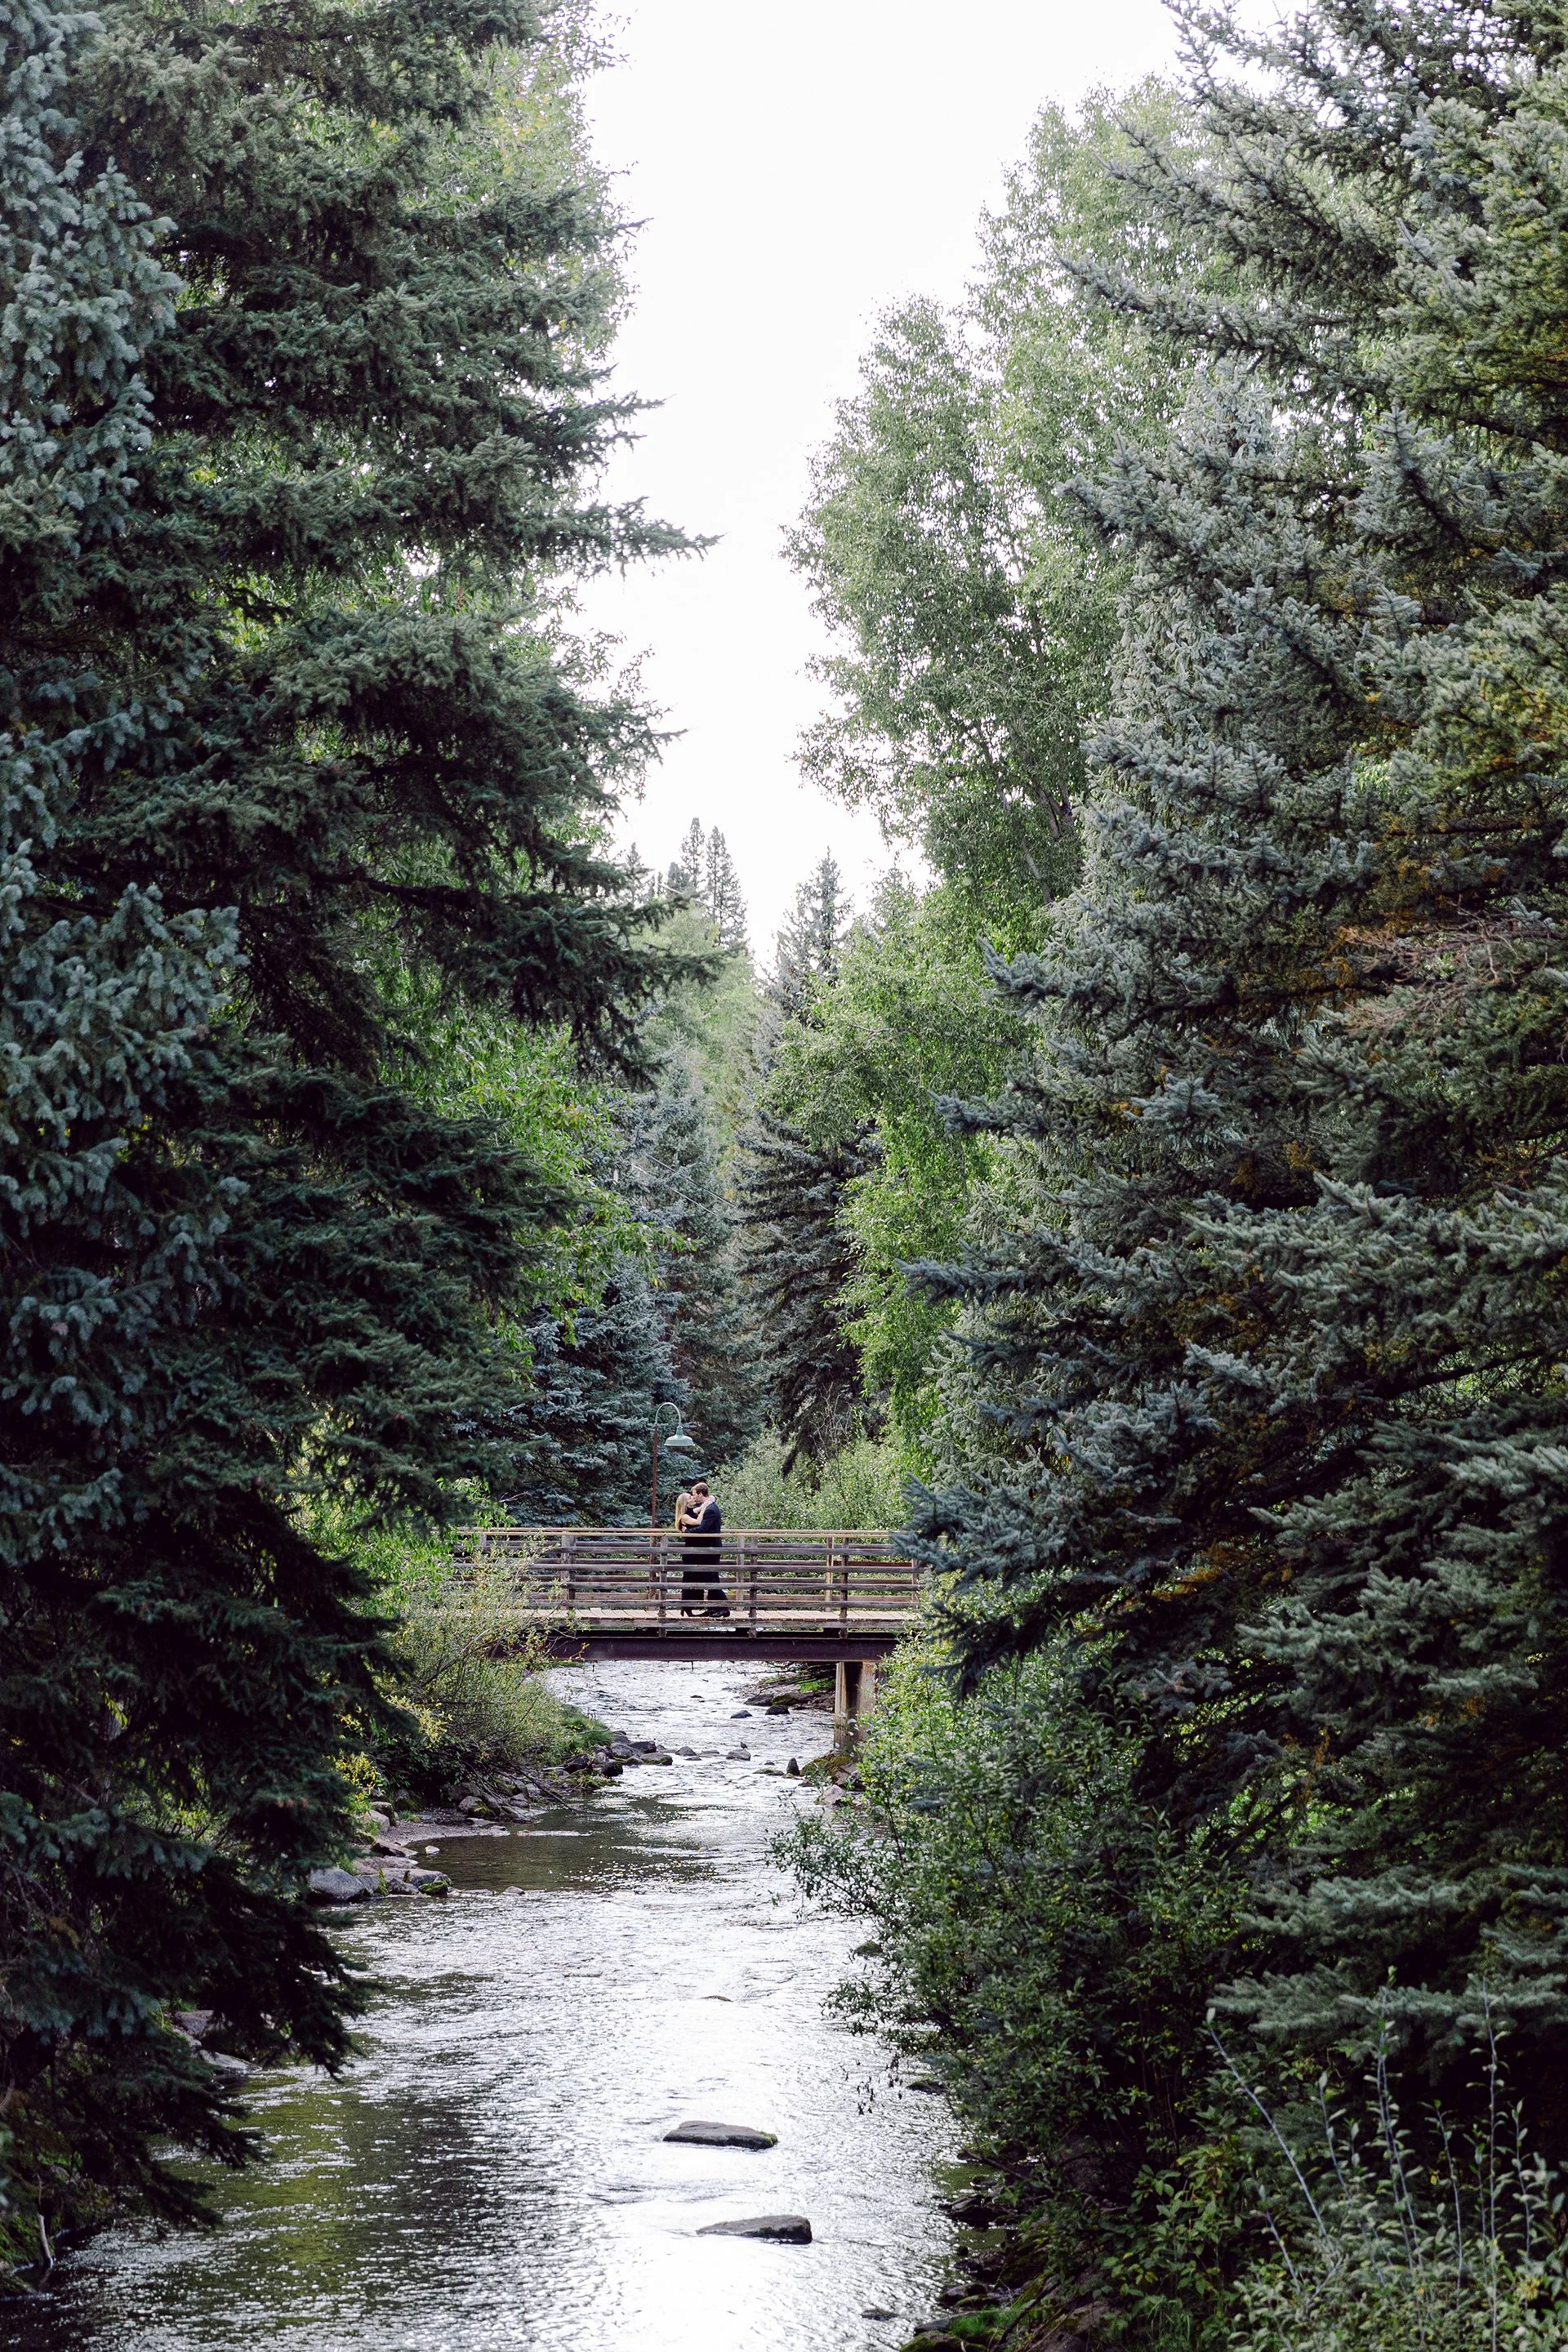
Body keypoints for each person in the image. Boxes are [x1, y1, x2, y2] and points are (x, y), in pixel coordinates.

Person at [679, 1479, 728, 1617]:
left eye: (694, 1494)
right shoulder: (708, 1507)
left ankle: (723, 1607)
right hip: (708, 1549)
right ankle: (715, 1608)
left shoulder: (711, 1510)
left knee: (710, 1577)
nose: (693, 1496)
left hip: (711, 1549)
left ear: (701, 1494)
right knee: (711, 1577)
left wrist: (686, 1533)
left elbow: (702, 1529)